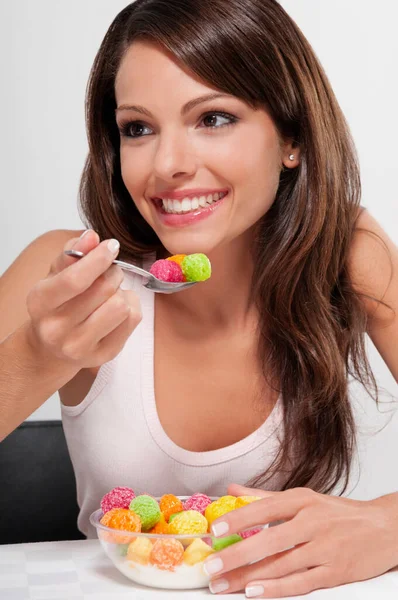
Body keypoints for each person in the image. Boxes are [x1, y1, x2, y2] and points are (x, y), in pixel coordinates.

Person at [0, 0, 397, 596]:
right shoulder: (66, 273)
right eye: (138, 127)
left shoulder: (346, 253)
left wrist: (388, 524)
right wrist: (40, 351)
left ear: (292, 137)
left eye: (213, 118)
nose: (168, 165)